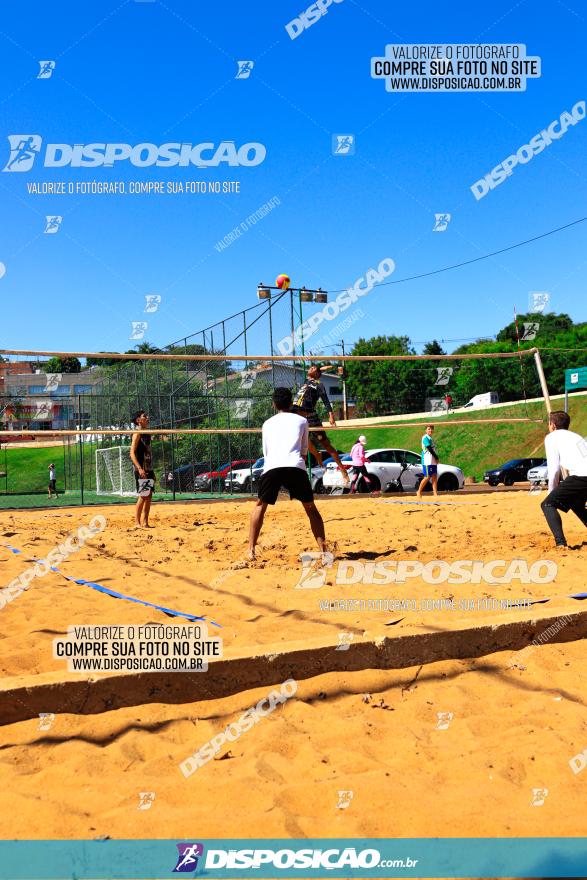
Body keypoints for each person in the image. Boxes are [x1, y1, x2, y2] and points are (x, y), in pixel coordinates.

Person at [248, 387, 329, 560]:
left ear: (273, 404)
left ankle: (251, 551)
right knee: (310, 508)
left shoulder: (267, 423)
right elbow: (304, 451)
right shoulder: (301, 421)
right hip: (295, 465)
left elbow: (266, 452)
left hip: (273, 465)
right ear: (291, 402)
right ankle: (323, 551)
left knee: (260, 506)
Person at [291, 364, 349, 481]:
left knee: (326, 445)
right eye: (310, 368)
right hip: (298, 416)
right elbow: (317, 370)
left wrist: (331, 416)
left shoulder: (319, 385)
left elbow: (326, 401)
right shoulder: (307, 381)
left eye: (312, 369)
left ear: (317, 374)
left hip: (311, 417)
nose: (309, 369)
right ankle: (317, 454)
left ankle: (342, 469)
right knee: (303, 441)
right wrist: (320, 368)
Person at [540, 410, 587, 548]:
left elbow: (554, 470)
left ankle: (560, 543)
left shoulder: (551, 437)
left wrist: (551, 491)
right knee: (576, 504)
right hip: (582, 476)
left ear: (553, 425)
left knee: (547, 504)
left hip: (581, 476)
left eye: (549, 423)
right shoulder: (576, 436)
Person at [130, 410, 155, 528]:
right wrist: (139, 468)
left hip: (148, 468)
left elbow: (148, 453)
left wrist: (152, 470)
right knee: (144, 494)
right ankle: (137, 522)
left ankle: (145, 522)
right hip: (141, 468)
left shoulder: (147, 433)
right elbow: (132, 453)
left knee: (149, 495)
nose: (147, 418)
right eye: (144, 416)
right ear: (138, 420)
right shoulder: (137, 433)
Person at [416, 424, 439, 497]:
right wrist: (436, 457)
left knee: (434, 476)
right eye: (429, 429)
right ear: (426, 430)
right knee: (427, 477)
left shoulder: (431, 438)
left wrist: (436, 458)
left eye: (432, 429)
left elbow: (433, 449)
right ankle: (419, 491)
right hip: (427, 460)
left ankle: (435, 493)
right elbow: (429, 448)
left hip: (432, 460)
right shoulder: (425, 437)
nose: (430, 430)